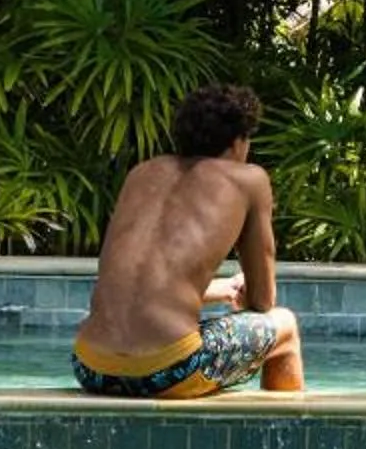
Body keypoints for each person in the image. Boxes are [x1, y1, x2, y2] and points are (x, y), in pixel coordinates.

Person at [71, 84, 306, 398]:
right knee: (285, 325)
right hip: (166, 371)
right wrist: (246, 292)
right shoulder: (249, 180)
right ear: (239, 140)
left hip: (91, 366)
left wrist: (217, 291)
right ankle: (285, 440)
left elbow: (136, 285)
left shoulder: (142, 173)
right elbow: (262, 302)